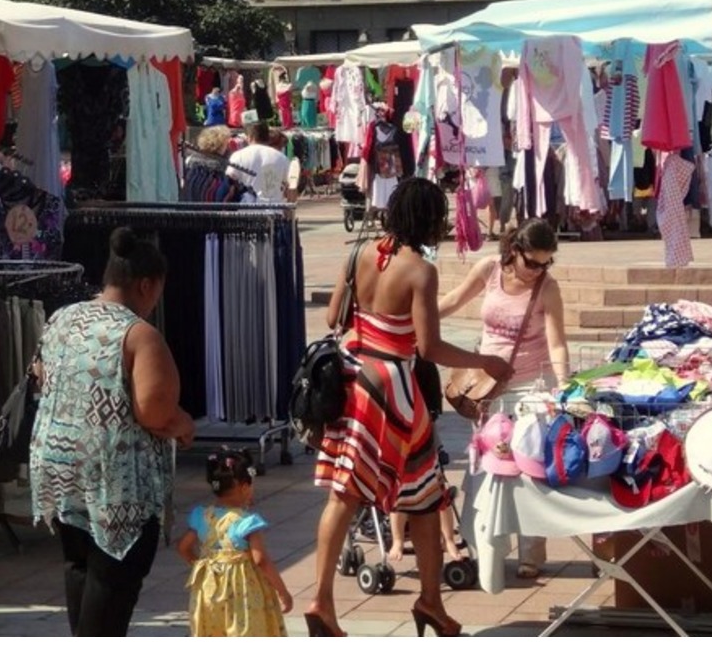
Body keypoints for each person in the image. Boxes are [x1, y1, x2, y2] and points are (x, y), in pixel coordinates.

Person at [306, 177, 510, 638]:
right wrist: (484, 361)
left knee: (351, 490)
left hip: (352, 378)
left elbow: (332, 317)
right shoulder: (420, 270)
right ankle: (424, 601)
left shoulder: (359, 253)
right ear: (428, 219)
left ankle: (330, 598)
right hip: (392, 387)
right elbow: (431, 347)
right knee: (422, 492)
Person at [30, 227, 195, 636]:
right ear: (146, 285)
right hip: (114, 483)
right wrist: (184, 423)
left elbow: (39, 372)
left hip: (60, 468)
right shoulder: (139, 335)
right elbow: (153, 411)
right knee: (112, 579)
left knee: (79, 567)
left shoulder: (62, 317)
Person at [437, 218, 571, 578]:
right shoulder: (489, 269)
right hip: (488, 387)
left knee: (527, 467)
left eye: (546, 263)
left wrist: (563, 386)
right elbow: (452, 299)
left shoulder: (548, 288)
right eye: (533, 262)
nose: (537, 271)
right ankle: (486, 546)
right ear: (515, 251)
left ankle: (532, 551)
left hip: (532, 385)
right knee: (486, 469)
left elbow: (557, 342)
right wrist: (418, 318)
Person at [177, 448, 292, 637]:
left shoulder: (202, 516)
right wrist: (282, 591)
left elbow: (183, 547)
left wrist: (202, 565)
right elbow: (260, 559)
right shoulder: (247, 522)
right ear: (244, 486)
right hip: (243, 595)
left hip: (208, 591)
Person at [228, 120, 292, 202]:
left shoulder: (237, 156)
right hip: (274, 209)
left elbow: (230, 182)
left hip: (246, 210)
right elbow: (289, 186)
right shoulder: (281, 158)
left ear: (250, 137)